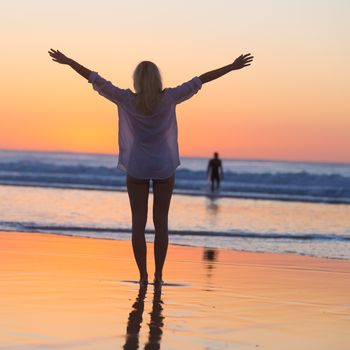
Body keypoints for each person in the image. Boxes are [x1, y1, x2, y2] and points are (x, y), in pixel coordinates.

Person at [48, 49, 253, 285]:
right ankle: (159, 276)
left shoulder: (126, 98)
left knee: (138, 223)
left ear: (137, 80)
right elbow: (201, 79)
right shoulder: (170, 97)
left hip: (137, 165)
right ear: (158, 79)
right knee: (161, 223)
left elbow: (94, 78)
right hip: (163, 165)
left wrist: (69, 61)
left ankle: (143, 276)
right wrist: (231, 66)